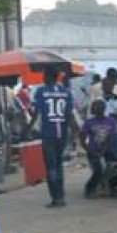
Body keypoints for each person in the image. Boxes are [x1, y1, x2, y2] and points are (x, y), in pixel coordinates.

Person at [31, 68, 75, 207]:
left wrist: (28, 128)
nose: (43, 78)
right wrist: (74, 132)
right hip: (62, 133)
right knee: (59, 164)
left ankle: (56, 198)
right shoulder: (66, 92)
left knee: (51, 166)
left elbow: (36, 112)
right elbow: (69, 114)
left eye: (44, 75)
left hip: (48, 133)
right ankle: (61, 196)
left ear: (48, 77)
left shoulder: (41, 91)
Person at [79, 100, 117, 197]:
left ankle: (110, 184)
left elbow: (110, 138)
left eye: (97, 106)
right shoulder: (89, 122)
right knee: (98, 169)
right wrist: (87, 149)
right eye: (94, 107)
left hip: (107, 151)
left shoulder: (111, 121)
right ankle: (89, 188)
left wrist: (104, 150)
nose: (95, 109)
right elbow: (82, 137)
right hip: (93, 151)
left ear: (103, 108)